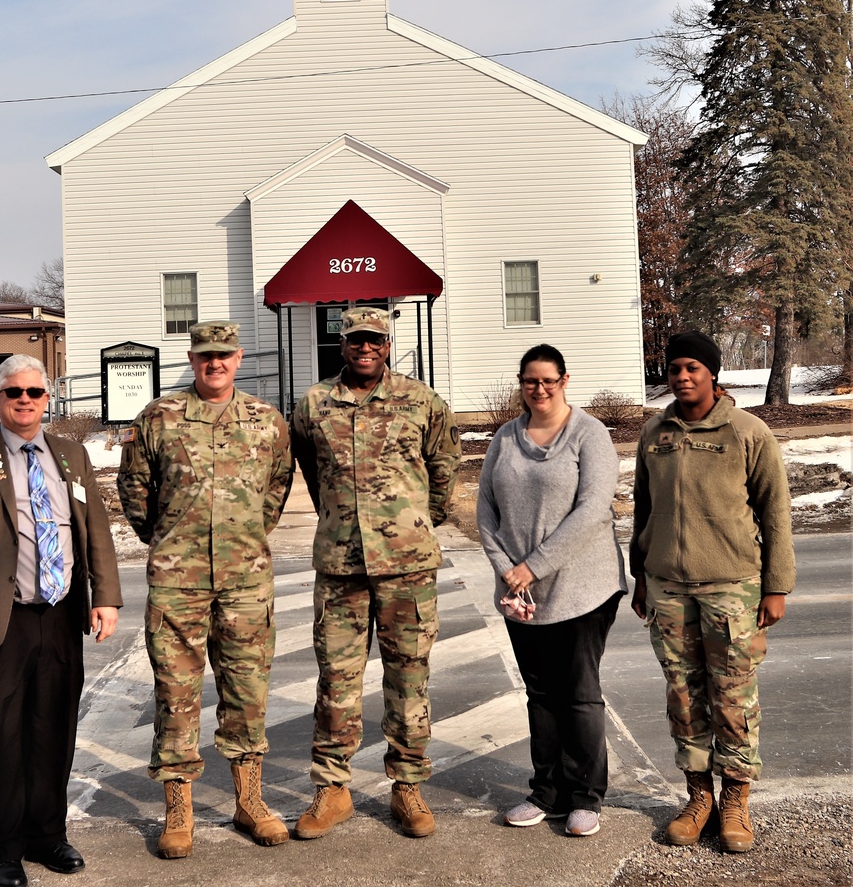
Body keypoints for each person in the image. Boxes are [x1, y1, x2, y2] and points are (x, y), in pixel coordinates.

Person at [0, 355, 122, 887]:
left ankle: (47, 835)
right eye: (15, 392)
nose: (26, 399)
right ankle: (3, 847)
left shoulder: (71, 455)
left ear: (47, 397)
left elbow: (94, 531)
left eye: (35, 391)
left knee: (53, 726)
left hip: (60, 613)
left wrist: (105, 596)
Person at [116, 321, 293, 858]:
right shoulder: (159, 418)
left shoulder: (266, 421)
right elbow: (134, 487)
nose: (214, 363)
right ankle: (179, 809)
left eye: (224, 355)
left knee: (247, 692)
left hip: (246, 579)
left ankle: (250, 801)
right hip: (178, 580)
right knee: (176, 692)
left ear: (238, 358)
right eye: (204, 355)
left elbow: (277, 487)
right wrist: (167, 539)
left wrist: (247, 535)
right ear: (192, 359)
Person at [289, 305, 460, 840]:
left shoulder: (422, 401)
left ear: (388, 344)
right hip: (340, 566)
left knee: (408, 676)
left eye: (376, 340)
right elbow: (311, 473)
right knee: (335, 680)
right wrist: (341, 519)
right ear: (342, 344)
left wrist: (411, 524)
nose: (367, 348)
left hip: (407, 567)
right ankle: (332, 788)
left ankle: (407, 785)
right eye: (357, 339)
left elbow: (444, 470)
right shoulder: (315, 404)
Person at [630, 331, 795, 854]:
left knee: (733, 697)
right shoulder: (655, 433)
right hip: (667, 586)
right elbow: (643, 510)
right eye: (675, 367)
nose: (682, 376)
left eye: (692, 368)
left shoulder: (747, 431)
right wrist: (640, 576)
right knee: (684, 695)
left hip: (731, 587)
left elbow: (775, 513)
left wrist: (777, 587)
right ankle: (698, 796)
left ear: (712, 374)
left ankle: (736, 801)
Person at [477, 343, 626, 839]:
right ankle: (547, 792)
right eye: (529, 381)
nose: (538, 389)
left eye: (548, 380)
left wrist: (532, 566)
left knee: (578, 693)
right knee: (540, 695)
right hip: (521, 590)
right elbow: (484, 509)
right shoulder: (505, 436)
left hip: (583, 587)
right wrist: (508, 571)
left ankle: (585, 796)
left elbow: (591, 511)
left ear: (565, 380)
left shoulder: (590, 434)